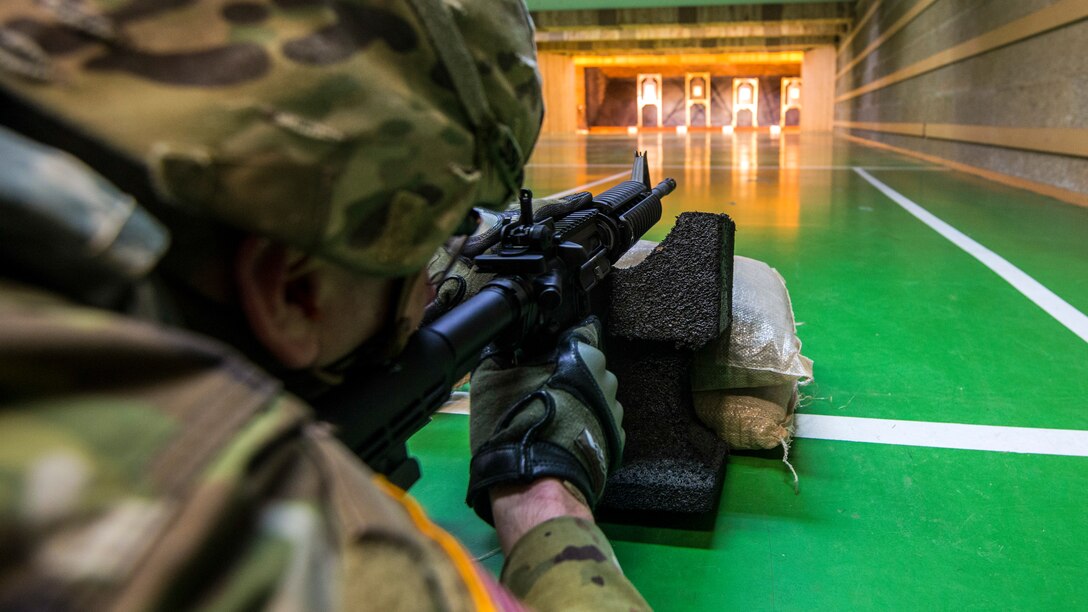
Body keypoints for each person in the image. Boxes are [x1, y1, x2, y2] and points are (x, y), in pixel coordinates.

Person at [0, 0, 650, 609]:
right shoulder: (209, 535)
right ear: (294, 291)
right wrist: (541, 496)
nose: (429, 292)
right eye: (421, 260)